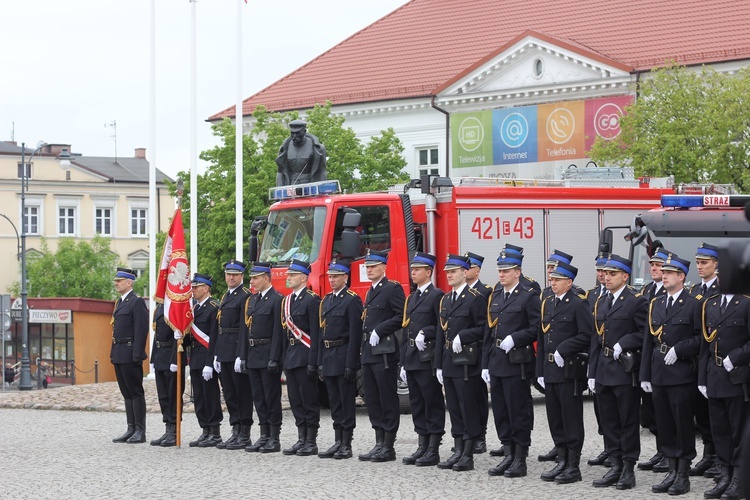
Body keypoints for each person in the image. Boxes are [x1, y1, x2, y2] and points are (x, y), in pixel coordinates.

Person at [640, 254, 701, 495]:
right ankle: (671, 470)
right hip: (659, 372)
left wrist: (679, 349)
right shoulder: (656, 302)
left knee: (682, 424)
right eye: (662, 272)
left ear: (681, 276)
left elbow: (700, 338)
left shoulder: (694, 303)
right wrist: (645, 374)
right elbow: (648, 340)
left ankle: (683, 474)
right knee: (664, 424)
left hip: (681, 373)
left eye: (669, 273)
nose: (663, 275)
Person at [588, 255, 648, 490]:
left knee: (627, 422)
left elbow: (646, 333)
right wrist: (592, 372)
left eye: (613, 274)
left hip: (624, 372)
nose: (607, 278)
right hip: (603, 370)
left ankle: (628, 468)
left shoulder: (636, 301)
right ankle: (614, 465)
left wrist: (625, 342)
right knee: (609, 422)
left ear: (625, 276)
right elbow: (596, 339)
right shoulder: (601, 302)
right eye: (606, 274)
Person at [483, 250, 541, 478]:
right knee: (500, 410)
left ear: (518, 272)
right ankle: (507, 453)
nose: (502, 275)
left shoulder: (528, 296)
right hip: (497, 360)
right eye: (500, 271)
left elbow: (537, 328)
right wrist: (486, 364)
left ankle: (520, 458)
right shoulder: (496, 295)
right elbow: (489, 331)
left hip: (517, 362)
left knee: (518, 409)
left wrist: (516, 338)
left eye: (506, 271)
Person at [536, 261, 593, 484]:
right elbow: (542, 338)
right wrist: (539, 368)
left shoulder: (579, 304)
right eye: (552, 279)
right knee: (555, 418)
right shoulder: (547, 303)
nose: (553, 283)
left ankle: (573, 465)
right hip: (551, 370)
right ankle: (561, 460)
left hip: (569, 371)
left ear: (569, 282)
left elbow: (587, 335)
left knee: (571, 419)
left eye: (558, 280)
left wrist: (564, 348)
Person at [435, 254, 488, 472]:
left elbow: (484, 328)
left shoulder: (475, 298)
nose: (449, 275)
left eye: (453, 271)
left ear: (465, 273)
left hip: (467, 363)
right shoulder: (446, 299)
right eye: (447, 272)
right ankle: (457, 449)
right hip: (449, 361)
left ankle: (468, 452)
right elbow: (440, 333)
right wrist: (438, 364)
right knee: (454, 407)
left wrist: (464, 336)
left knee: (468, 407)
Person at [698, 291, 750, 499]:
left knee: (738, 431)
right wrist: (702, 378)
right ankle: (725, 475)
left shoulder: (746, 304)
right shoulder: (711, 304)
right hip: (715, 376)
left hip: (737, 378)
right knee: (719, 430)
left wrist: (736, 357)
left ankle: (739, 479)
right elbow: (705, 347)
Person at [399, 252, 446, 467]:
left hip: (427, 358)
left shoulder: (437, 295)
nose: (413, 272)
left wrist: (426, 331)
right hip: (412, 358)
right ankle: (422, 444)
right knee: (417, 403)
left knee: (431, 402)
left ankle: (433, 448)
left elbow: (441, 326)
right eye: (412, 269)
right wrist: (402, 362)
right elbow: (406, 329)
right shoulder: (412, 297)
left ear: (429, 272)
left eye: (417, 269)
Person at [359, 250, 405, 463]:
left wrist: (380, 329)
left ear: (383, 267)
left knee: (387, 397)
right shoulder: (371, 291)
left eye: (373, 266)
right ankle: (378, 442)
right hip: (370, 351)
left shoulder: (392, 289)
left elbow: (401, 317)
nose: (369, 269)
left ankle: (388, 445)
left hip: (385, 352)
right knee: (372, 398)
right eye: (367, 266)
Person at [317, 259, 363, 460]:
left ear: (346, 277)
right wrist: (320, 361)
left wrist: (351, 363)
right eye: (330, 276)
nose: (332, 280)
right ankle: (337, 440)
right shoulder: (327, 300)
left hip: (343, 354)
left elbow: (355, 334)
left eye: (336, 276)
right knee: (334, 401)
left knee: (346, 401)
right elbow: (321, 333)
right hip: (328, 356)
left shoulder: (352, 300)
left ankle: (347, 443)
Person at [237, 262, 284, 453]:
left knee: (271, 396)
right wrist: (243, 356)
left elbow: (278, 332)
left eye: (255, 278)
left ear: (266, 278)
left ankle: (274, 436)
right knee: (258, 397)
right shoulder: (253, 300)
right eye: (252, 278)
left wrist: (275, 357)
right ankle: (264, 434)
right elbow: (246, 330)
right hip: (254, 354)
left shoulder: (277, 299)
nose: (252, 281)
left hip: (268, 355)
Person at [280, 259, 322, 457]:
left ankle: (311, 440)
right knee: (295, 400)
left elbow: (316, 333)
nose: (288, 278)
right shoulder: (287, 301)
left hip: (305, 355)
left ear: (304, 277)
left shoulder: (312, 300)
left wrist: (314, 361)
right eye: (289, 275)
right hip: (291, 356)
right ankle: (301, 437)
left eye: (292, 275)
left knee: (308, 399)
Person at [688, 242, 721, 479]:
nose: (699, 266)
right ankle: (708, 454)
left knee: (719, 414)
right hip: (698, 361)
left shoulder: (724, 288)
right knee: (702, 412)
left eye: (704, 262)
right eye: (698, 262)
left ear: (716, 264)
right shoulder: (694, 291)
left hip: (716, 358)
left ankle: (722, 457)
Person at [637, 246, 671, 473]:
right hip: (647, 359)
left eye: (658, 265)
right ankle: (661, 451)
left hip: (665, 360)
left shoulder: (668, 292)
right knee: (652, 410)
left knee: (667, 412)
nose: (654, 268)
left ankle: (670, 453)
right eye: (652, 264)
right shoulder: (646, 291)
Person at [213, 260, 253, 450]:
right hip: (224, 350)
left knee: (241, 393)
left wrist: (241, 354)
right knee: (229, 392)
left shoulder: (245, 296)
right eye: (228, 274)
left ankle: (244, 433)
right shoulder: (225, 296)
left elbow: (244, 328)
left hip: (236, 348)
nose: (231, 277)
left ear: (241, 276)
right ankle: (235, 429)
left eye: (235, 275)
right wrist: (216, 354)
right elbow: (221, 327)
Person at [110, 267, 149, 444]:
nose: (116, 283)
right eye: (116, 281)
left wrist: (137, 354)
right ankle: (131, 427)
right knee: (126, 393)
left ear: (129, 282)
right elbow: (115, 330)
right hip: (119, 352)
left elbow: (141, 330)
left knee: (135, 392)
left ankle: (140, 430)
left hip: (130, 351)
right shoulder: (119, 303)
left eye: (119, 280)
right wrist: (112, 352)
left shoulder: (136, 302)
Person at [187, 273, 223, 448]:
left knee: (210, 395)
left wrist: (210, 363)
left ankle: (214, 431)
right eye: (193, 287)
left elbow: (214, 338)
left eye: (197, 287)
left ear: (206, 288)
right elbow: (191, 336)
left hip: (207, 357)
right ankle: (205, 429)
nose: (193, 290)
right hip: (195, 356)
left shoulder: (214, 307)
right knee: (199, 397)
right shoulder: (194, 308)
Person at [585, 251, 610, 469]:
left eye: (606, 271)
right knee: (600, 410)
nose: (602, 275)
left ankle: (615, 451)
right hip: (597, 360)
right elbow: (590, 334)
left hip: (615, 363)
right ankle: (607, 447)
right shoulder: (591, 295)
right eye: (599, 271)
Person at [464, 251, 491, 455]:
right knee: (466, 397)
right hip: (462, 353)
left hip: (479, 350)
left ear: (477, 270)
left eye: (469, 267)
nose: (465, 271)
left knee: (479, 396)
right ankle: (468, 435)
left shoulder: (485, 292)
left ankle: (480, 436)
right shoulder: (460, 292)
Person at [149, 303, 186, 447]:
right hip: (160, 356)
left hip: (172, 356)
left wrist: (174, 360)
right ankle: (168, 428)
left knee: (173, 396)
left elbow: (179, 335)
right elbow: (156, 335)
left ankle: (174, 430)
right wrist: (153, 358)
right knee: (163, 396)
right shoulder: (159, 307)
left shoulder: (176, 305)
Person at [275, 119, 327, 186]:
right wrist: (279, 190)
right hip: (290, 185)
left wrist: (321, 189)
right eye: (292, 133)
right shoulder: (284, 148)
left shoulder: (318, 148)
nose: (294, 136)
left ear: (304, 132)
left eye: (297, 133)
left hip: (310, 185)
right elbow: (280, 172)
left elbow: (321, 171)